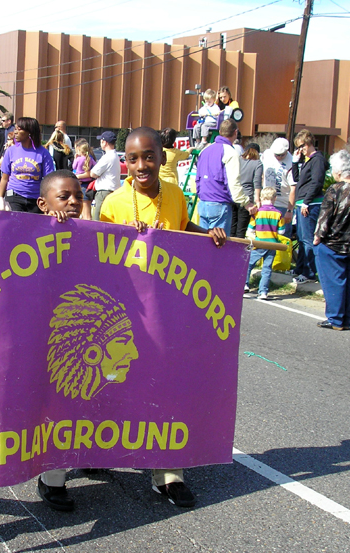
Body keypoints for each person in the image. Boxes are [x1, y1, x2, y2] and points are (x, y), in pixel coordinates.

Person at [100, 127, 226, 508]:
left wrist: (210, 235)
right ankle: (94, 451)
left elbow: (184, 230)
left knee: (166, 390)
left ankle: (168, 475)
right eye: (133, 158)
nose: (141, 165)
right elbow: (98, 257)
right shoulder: (114, 203)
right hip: (126, 315)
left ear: (162, 156)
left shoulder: (174, 194)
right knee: (112, 385)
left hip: (169, 314)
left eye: (149, 156)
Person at [33, 170, 86, 511]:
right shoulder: (32, 232)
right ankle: (51, 479)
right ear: (43, 204)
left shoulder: (91, 234)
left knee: (79, 404)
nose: (72, 203)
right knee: (50, 407)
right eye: (63, 197)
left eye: (77, 196)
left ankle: (88, 458)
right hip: (43, 337)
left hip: (83, 339)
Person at [313, 150, 350, 330]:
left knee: (334, 281)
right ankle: (346, 318)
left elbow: (325, 217)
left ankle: (335, 319)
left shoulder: (335, 190)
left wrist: (317, 237)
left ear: (338, 172)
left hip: (333, 243)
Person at [194, 118, 248, 235]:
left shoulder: (205, 150)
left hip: (203, 202)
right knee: (219, 245)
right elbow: (233, 182)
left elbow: (197, 178)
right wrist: (245, 202)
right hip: (220, 203)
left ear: (220, 132)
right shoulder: (230, 152)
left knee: (203, 244)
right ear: (235, 132)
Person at [0, 116, 55, 212]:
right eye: (15, 129)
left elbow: (49, 180)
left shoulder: (43, 153)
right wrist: (0, 198)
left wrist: (49, 202)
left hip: (35, 199)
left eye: (19, 129)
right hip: (14, 196)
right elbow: (4, 178)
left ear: (29, 132)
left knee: (33, 226)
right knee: (16, 224)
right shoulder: (11, 151)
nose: (15, 132)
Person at [292, 129, 327, 284]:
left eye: (302, 146)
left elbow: (316, 181)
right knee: (300, 238)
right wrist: (295, 162)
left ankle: (309, 272)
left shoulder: (317, 159)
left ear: (308, 143)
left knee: (307, 239)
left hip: (310, 203)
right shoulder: (306, 160)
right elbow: (297, 179)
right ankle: (300, 268)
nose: (301, 150)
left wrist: (307, 200)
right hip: (302, 202)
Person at [244, 187, 284, 300]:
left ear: (261, 198)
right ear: (275, 198)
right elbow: (282, 231)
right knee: (267, 268)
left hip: (259, 243)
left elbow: (250, 229)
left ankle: (245, 284)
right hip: (272, 244)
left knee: (249, 264)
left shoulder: (257, 213)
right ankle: (263, 292)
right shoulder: (278, 214)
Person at [260, 137, 296, 238]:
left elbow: (293, 189)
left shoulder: (291, 163)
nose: (278, 157)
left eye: (281, 155)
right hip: (266, 202)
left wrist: (289, 210)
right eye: (276, 155)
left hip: (282, 204)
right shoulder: (266, 154)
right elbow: (261, 173)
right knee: (264, 234)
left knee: (282, 235)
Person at [89, 131, 122, 220]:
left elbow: (93, 173)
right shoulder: (115, 156)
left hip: (104, 192)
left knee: (98, 218)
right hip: (114, 190)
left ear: (104, 142)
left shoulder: (107, 157)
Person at [234, 143, 263, 238]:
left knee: (231, 228)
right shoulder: (258, 163)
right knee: (241, 230)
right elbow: (257, 182)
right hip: (247, 199)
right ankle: (238, 251)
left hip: (234, 196)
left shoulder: (237, 160)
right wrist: (257, 200)